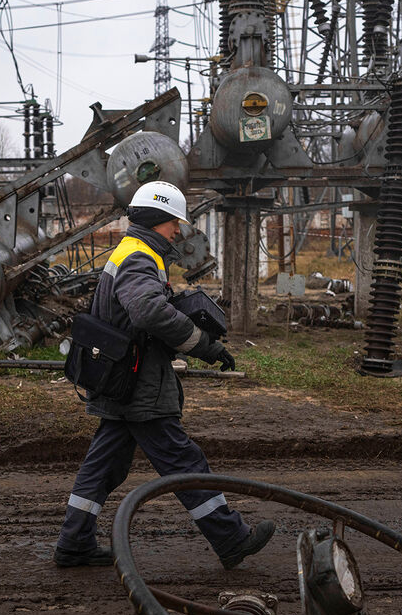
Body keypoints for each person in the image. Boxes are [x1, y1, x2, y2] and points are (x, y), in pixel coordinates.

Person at [55, 181, 274, 569]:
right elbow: (148, 312)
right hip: (139, 386)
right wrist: (204, 345)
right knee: (185, 462)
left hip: (119, 379)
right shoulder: (140, 257)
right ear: (160, 220)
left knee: (103, 466)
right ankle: (232, 538)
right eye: (175, 223)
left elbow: (139, 311)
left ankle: (74, 542)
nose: (178, 231)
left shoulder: (132, 251)